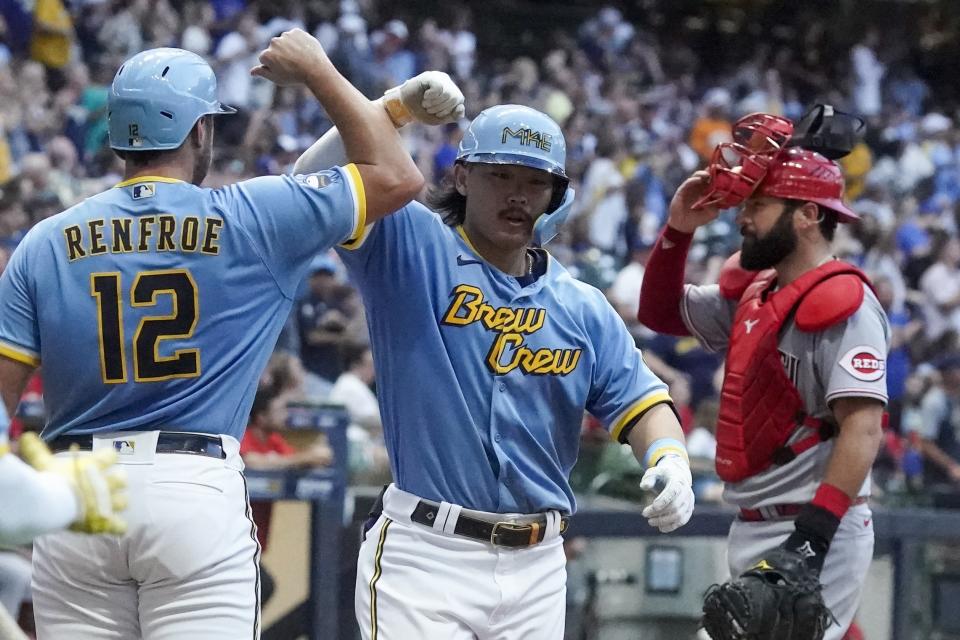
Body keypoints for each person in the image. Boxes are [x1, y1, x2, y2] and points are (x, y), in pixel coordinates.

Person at [0, 29, 432, 639]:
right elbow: (397, 174)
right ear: (200, 131)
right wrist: (318, 72)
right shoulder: (252, 214)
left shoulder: (45, 240)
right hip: (191, 486)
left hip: (78, 494)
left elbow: (2, 395)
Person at [294, 102, 695, 638]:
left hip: (539, 563)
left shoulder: (582, 306)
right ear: (462, 175)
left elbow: (644, 403)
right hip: (428, 555)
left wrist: (670, 456)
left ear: (556, 195)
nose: (517, 194)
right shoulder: (412, 245)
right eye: (499, 174)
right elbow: (309, 183)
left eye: (535, 181)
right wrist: (390, 108)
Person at [638, 113, 889, 640]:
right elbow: (660, 313)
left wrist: (812, 538)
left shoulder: (846, 303)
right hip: (751, 520)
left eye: (759, 204)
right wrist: (679, 228)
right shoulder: (757, 294)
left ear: (806, 216)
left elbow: (863, 430)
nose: (743, 217)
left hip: (814, 526)